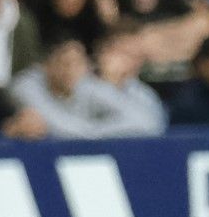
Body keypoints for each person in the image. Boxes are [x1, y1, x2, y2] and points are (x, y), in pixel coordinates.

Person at [9, 35, 163, 139]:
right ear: (47, 65)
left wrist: (94, 132)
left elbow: (147, 123)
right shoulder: (26, 86)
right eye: (65, 62)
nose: (71, 70)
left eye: (78, 63)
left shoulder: (88, 86)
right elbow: (63, 127)